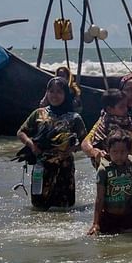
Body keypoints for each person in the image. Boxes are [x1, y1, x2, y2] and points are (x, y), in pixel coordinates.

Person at [17, 77, 87, 210]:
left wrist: (72, 149)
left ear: (65, 94)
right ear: (47, 93)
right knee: (38, 206)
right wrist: (32, 145)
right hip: (41, 166)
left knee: (65, 207)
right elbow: (21, 132)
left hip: (65, 167)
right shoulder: (38, 114)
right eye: (51, 91)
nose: (55, 95)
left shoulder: (74, 118)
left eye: (59, 92)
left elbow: (85, 141)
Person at [88, 129, 132, 235]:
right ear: (108, 150)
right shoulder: (103, 170)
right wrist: (95, 223)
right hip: (108, 215)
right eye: (115, 152)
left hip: (127, 215)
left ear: (129, 151)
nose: (119, 156)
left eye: (123, 152)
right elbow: (99, 199)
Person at [81, 88, 132, 165]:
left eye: (126, 106)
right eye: (121, 107)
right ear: (109, 109)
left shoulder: (106, 116)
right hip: (111, 159)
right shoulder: (110, 124)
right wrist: (94, 152)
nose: (126, 109)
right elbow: (85, 144)